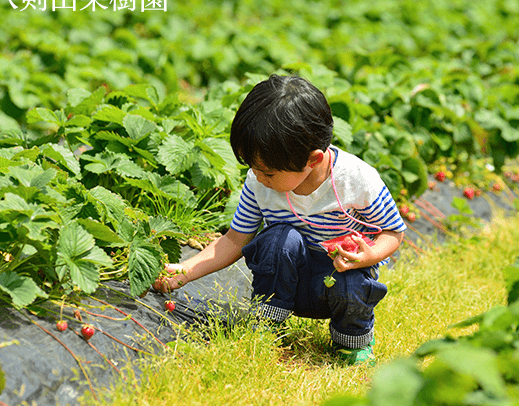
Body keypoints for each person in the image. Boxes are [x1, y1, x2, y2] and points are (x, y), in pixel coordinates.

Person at [153, 74, 406, 365]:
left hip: (340, 276)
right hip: (288, 281)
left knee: (352, 282)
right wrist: (184, 271)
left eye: (268, 172)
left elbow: (393, 232)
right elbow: (235, 238)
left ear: (313, 160)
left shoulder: (357, 180)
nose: (258, 177)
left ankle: (351, 341)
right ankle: (268, 324)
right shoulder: (259, 183)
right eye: (253, 167)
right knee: (278, 239)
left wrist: (368, 255)